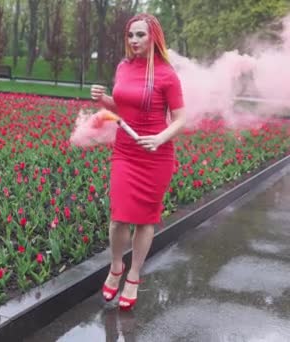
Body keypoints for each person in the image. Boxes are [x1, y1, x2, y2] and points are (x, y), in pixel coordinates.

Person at [90, 13, 186, 311]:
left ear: (153, 37)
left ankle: (133, 275)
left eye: (140, 35)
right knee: (119, 217)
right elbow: (124, 106)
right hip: (126, 152)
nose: (134, 41)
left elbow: (181, 119)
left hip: (156, 155)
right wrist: (104, 100)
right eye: (131, 35)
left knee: (145, 220)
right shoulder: (123, 66)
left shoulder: (167, 74)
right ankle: (117, 266)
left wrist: (159, 138)